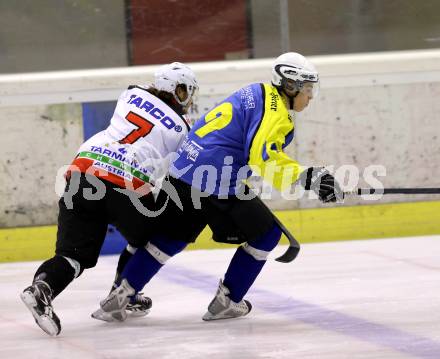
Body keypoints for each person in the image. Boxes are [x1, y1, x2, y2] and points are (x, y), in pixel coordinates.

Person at [92, 52, 343, 323]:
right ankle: (228, 300)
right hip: (215, 177)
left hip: (183, 170)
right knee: (267, 235)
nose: (311, 96)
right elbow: (264, 159)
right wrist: (311, 177)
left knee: (171, 237)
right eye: (307, 89)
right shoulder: (277, 114)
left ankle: (119, 297)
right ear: (290, 87)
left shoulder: (256, 91)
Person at [20, 62, 199, 336]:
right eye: (185, 92)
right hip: (125, 185)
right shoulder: (182, 128)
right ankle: (123, 293)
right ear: (173, 89)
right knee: (153, 239)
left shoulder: (130, 94)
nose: (187, 99)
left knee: (73, 256)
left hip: (83, 173)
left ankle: (41, 289)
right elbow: (183, 165)